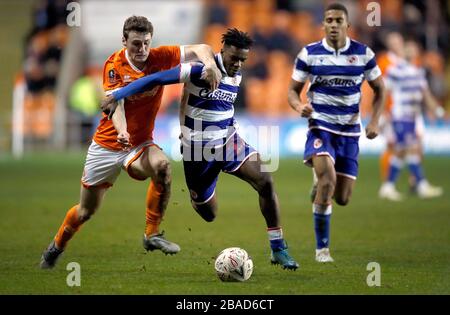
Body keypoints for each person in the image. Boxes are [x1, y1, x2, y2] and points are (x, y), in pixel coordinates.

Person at [102, 28, 300, 270]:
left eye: (242, 60)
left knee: (265, 180)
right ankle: (198, 198)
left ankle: (278, 248)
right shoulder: (198, 71)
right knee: (209, 213)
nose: (238, 64)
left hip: (229, 141)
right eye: (234, 58)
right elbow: (155, 79)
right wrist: (118, 94)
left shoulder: (236, 74)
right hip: (198, 153)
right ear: (222, 51)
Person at [40, 15, 222, 269]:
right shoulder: (113, 66)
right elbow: (116, 106)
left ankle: (152, 234)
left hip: (139, 145)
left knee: (163, 167)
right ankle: (56, 247)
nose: (142, 50)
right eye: (136, 44)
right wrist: (122, 131)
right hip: (106, 146)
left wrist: (210, 64)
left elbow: (201, 48)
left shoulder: (160, 57)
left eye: (146, 43)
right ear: (124, 41)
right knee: (85, 211)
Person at [287, 3, 386, 262]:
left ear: (347, 25)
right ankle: (322, 250)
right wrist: (299, 106)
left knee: (341, 198)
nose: (333, 25)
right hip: (320, 127)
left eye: (338, 21)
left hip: (350, 131)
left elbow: (380, 89)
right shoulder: (309, 54)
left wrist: (374, 121)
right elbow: (292, 91)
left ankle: (318, 184)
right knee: (327, 181)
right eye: (328, 20)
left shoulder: (363, 54)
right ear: (323, 24)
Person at [378, 38, 444, 201]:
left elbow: (425, 94)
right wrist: (381, 114)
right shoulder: (395, 70)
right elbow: (385, 93)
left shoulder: (418, 72)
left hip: (412, 117)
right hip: (400, 115)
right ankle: (420, 184)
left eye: (413, 49)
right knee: (409, 148)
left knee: (404, 151)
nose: (410, 51)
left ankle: (388, 187)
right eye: (408, 48)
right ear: (403, 52)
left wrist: (437, 110)